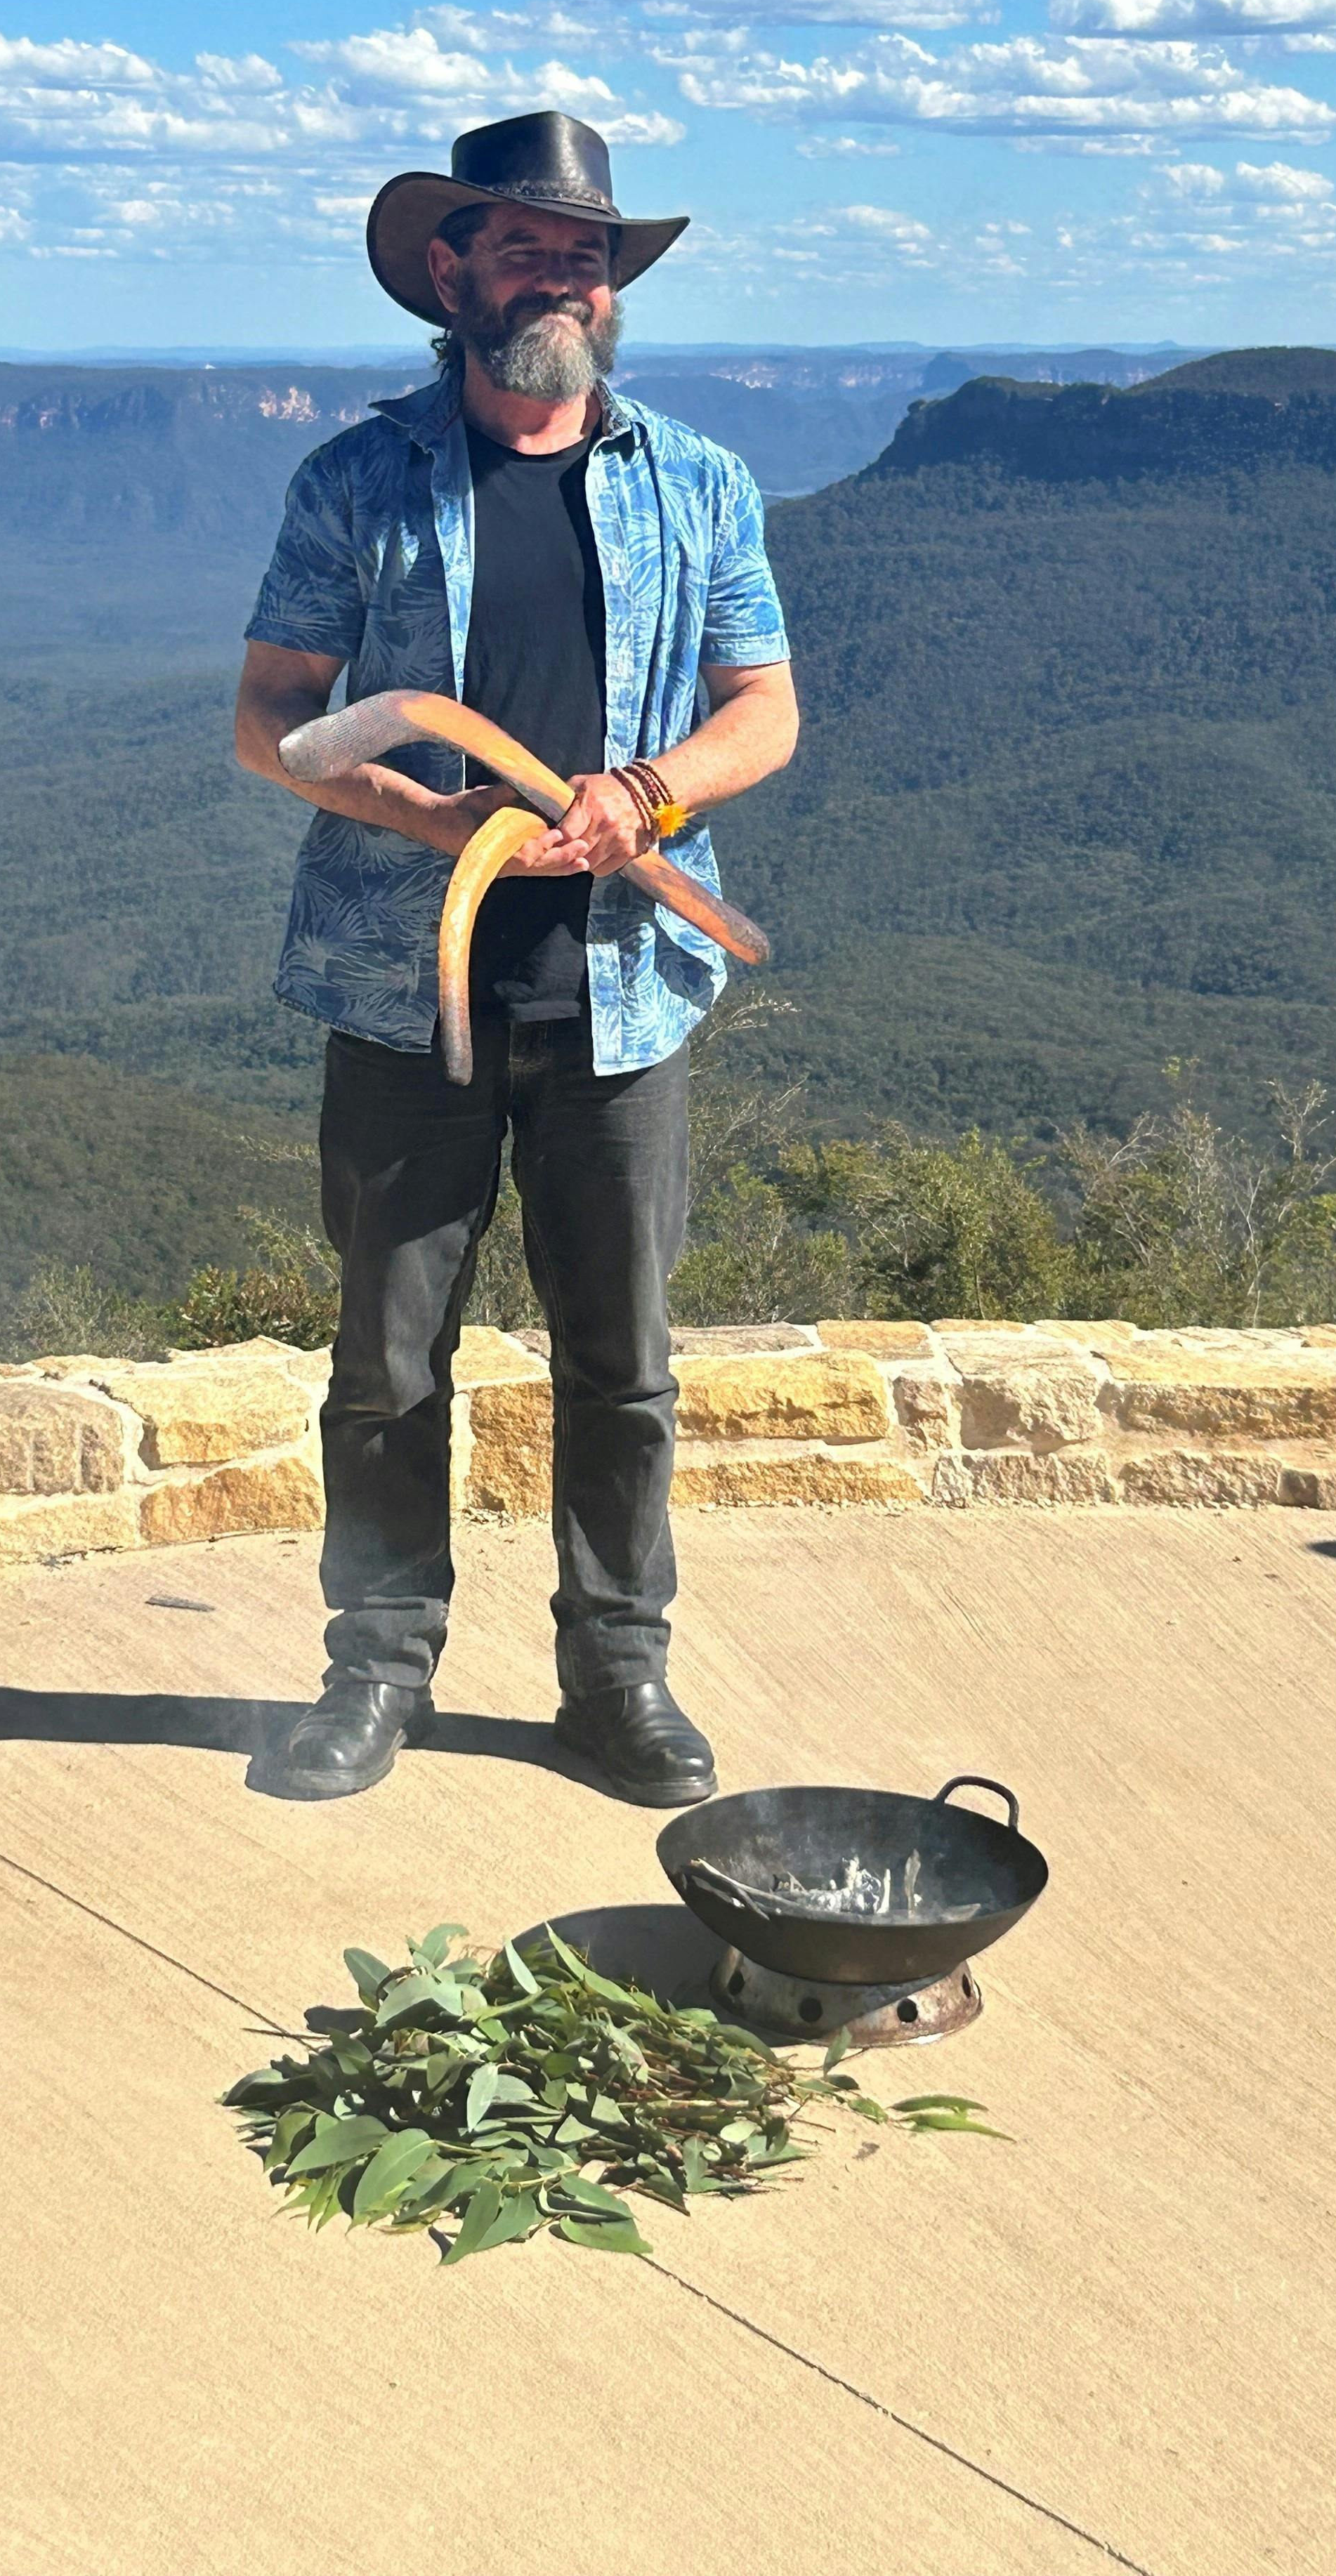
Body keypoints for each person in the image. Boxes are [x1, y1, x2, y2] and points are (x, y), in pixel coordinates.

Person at [233, 110, 798, 1806]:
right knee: (387, 1365)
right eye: (531, 246)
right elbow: (273, 724)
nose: (568, 276)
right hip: (408, 995)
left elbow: (763, 709)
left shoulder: (696, 482)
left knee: (622, 1366)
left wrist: (646, 797)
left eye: (590, 254)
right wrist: (440, 820)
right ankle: (376, 1674)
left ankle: (617, 1678)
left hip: (625, 993)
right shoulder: (357, 479)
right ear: (451, 270)